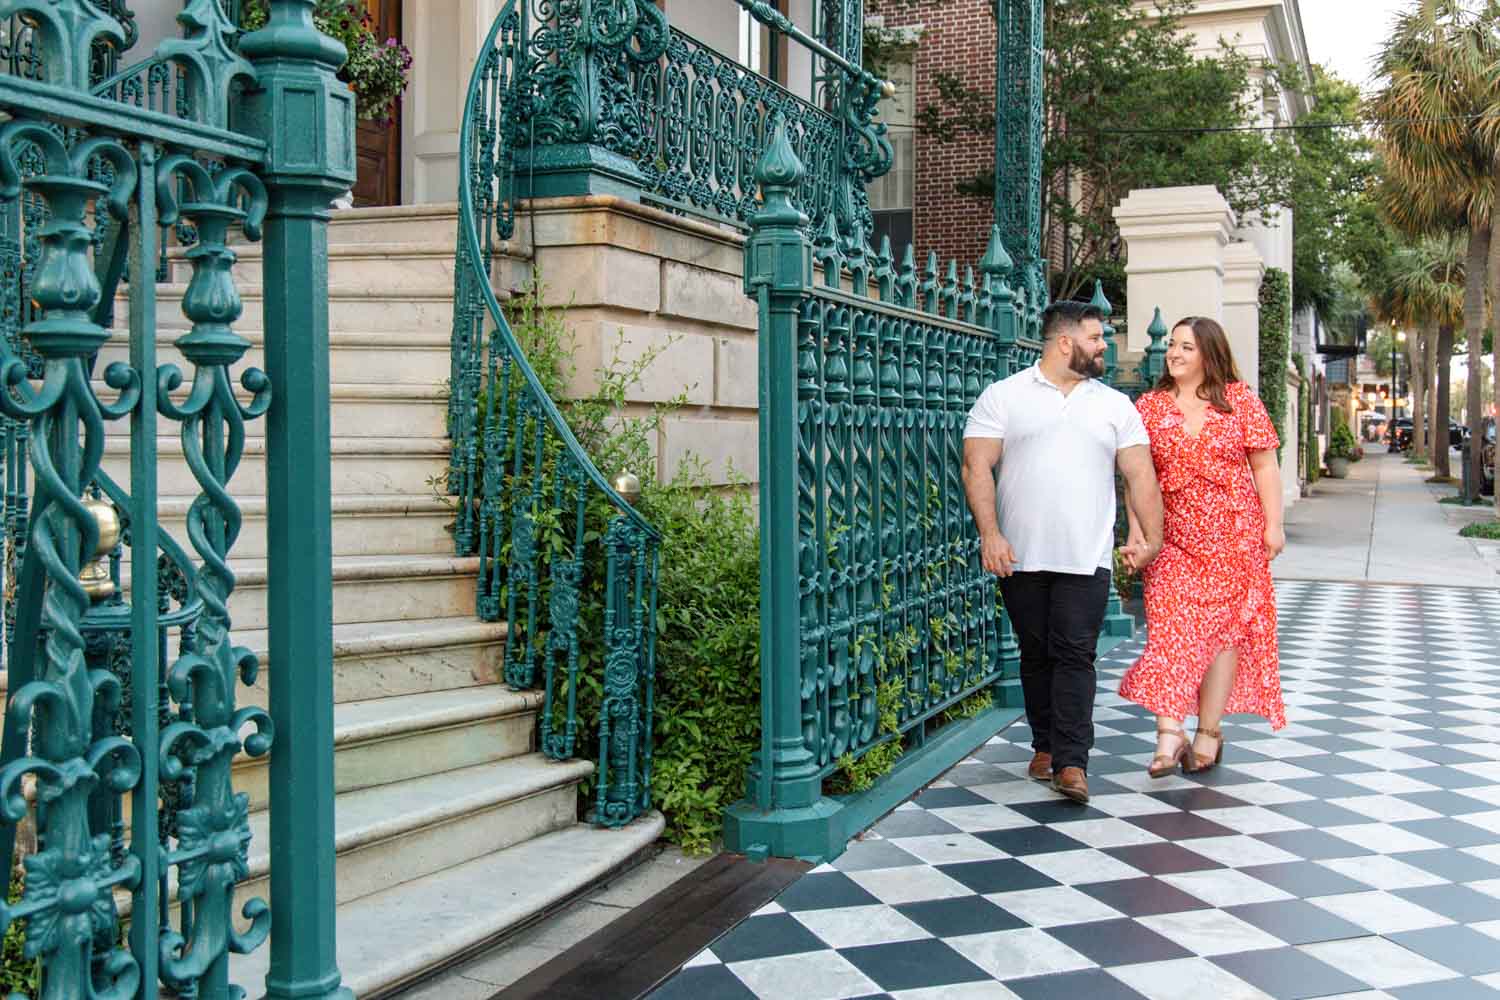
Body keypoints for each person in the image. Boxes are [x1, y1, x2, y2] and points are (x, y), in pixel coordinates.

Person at [962, 301, 1164, 804]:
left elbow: (1139, 474)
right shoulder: (1003, 396)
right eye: (1096, 338)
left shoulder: (1115, 405)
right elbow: (976, 467)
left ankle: (1072, 761)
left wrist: (1148, 537)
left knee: (1075, 652)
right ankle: (1045, 745)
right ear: (1065, 342)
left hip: (1086, 555)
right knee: (1037, 654)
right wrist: (990, 533)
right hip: (1020, 555)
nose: (1104, 347)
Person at [1118, 316, 1286, 778]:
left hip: (1234, 539)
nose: (1173, 353)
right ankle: (1169, 733)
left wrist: (1274, 525)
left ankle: (1208, 732)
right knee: (1171, 631)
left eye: (1186, 347)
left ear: (1209, 354)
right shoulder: (1149, 407)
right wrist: (1138, 531)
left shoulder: (1240, 401)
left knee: (1222, 638)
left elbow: (1265, 467)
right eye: (1172, 345)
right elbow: (1137, 479)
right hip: (1170, 538)